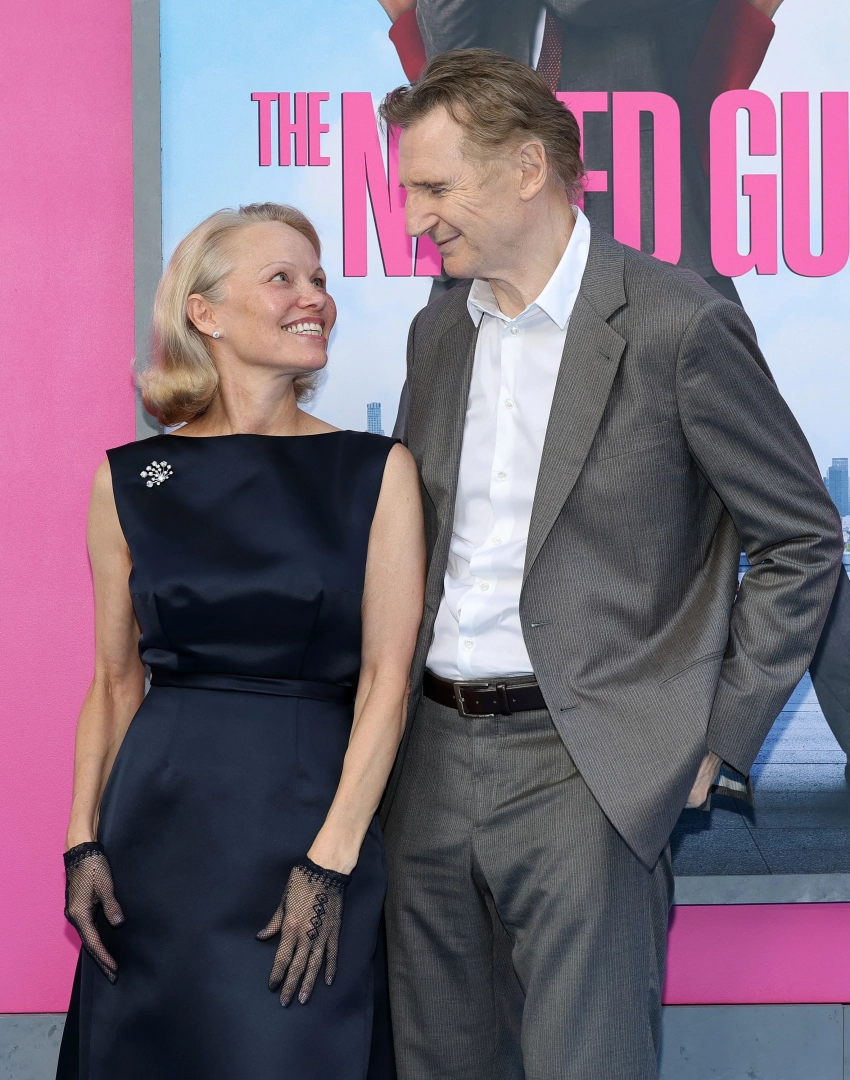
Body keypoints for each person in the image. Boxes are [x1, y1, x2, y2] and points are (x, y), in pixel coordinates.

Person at [379, 50, 843, 1080]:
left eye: (434, 187)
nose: (414, 218)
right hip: (428, 762)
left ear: (526, 169)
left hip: (587, 769)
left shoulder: (679, 321)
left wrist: (717, 737)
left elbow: (802, 538)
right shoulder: (436, 330)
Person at [55, 202, 424, 1080]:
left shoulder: (376, 470)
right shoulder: (132, 479)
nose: (315, 297)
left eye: (319, 279)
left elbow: (387, 681)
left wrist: (330, 862)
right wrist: (82, 840)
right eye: (283, 278)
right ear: (205, 313)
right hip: (156, 838)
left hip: (310, 829)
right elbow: (114, 681)